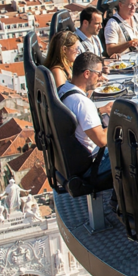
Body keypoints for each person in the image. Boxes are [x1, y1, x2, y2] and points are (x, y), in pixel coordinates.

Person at [56, 52, 112, 180]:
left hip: (71, 162)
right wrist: (119, 122)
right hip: (91, 166)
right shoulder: (82, 103)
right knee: (134, 154)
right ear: (87, 74)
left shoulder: (63, 90)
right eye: (98, 73)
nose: (100, 77)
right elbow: (102, 141)